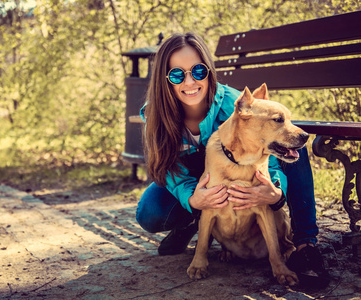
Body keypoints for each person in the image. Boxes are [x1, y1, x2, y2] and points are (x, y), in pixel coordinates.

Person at [136, 32, 330, 287]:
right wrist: (192, 199)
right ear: (165, 80)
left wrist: (274, 191)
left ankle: (305, 243)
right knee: (150, 212)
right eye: (176, 74)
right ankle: (194, 220)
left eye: (198, 71)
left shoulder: (233, 105)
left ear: (208, 70)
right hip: (195, 178)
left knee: (295, 146)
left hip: (237, 173)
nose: (190, 81)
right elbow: (166, 166)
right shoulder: (157, 113)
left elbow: (266, 154)